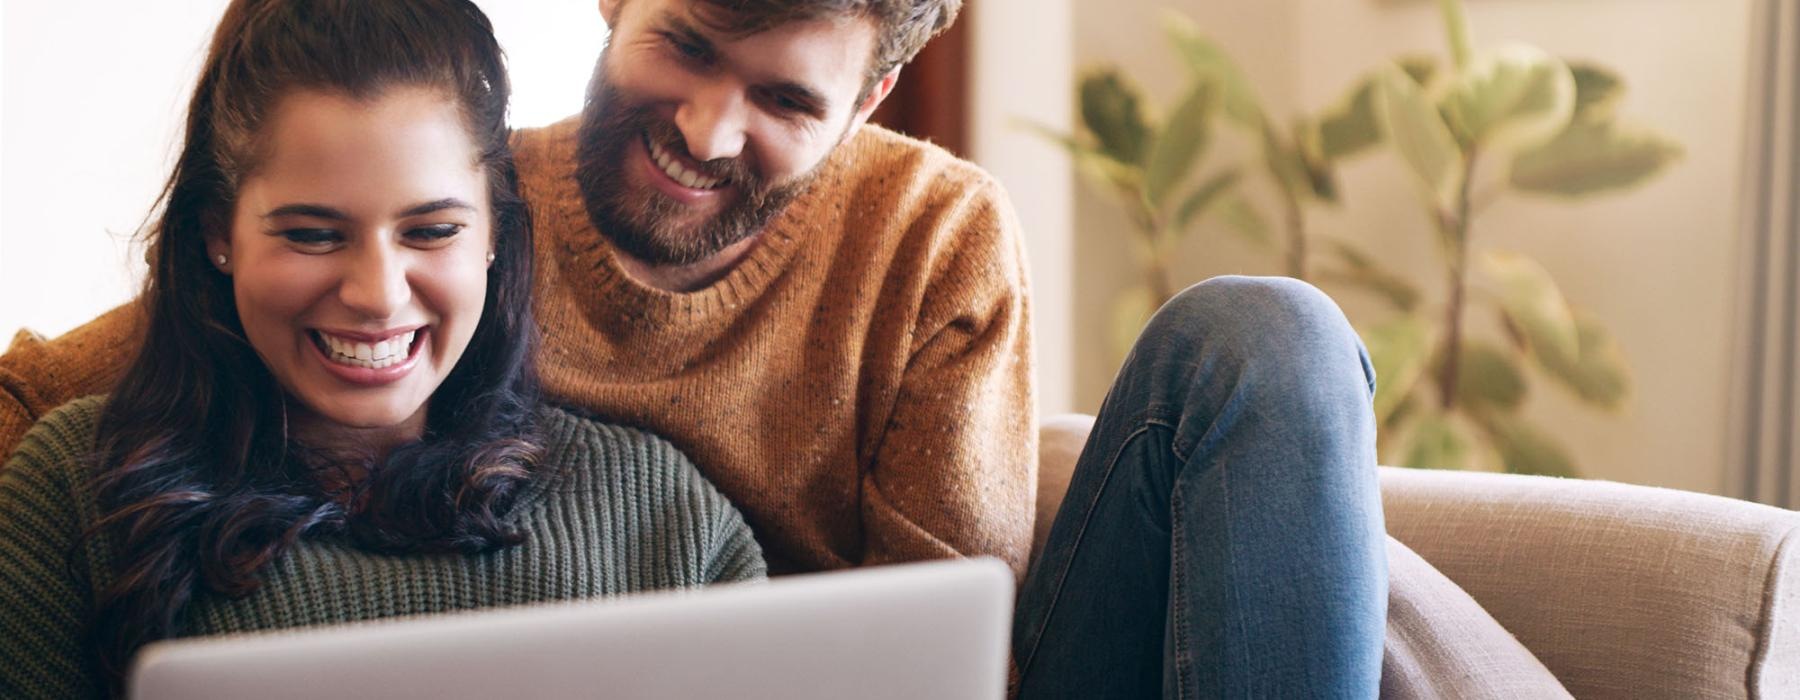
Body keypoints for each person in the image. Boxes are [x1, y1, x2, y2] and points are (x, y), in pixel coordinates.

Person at [0, 0, 1385, 696]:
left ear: (874, 95)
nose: (707, 133)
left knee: (1269, 339)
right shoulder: (447, 207)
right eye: (689, 41)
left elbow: (956, 644)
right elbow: (126, 361)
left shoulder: (935, 238)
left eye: (785, 96)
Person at [0, 2, 763, 698]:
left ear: (495, 233)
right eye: (311, 234)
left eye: (432, 231)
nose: (378, 294)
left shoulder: (664, 516)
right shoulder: (73, 497)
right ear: (216, 236)